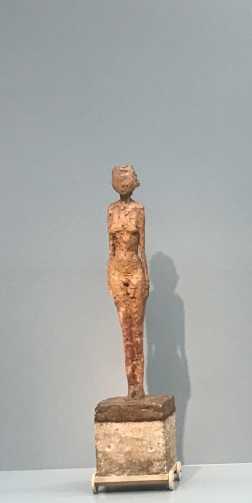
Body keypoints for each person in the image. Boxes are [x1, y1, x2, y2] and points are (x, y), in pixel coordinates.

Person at [107, 165, 148, 399]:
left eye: (126, 179)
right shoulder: (111, 210)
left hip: (135, 271)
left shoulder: (139, 210)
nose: (123, 183)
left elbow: (143, 248)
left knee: (137, 331)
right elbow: (110, 248)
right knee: (125, 331)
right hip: (117, 271)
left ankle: (138, 386)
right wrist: (109, 277)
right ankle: (130, 386)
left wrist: (146, 281)